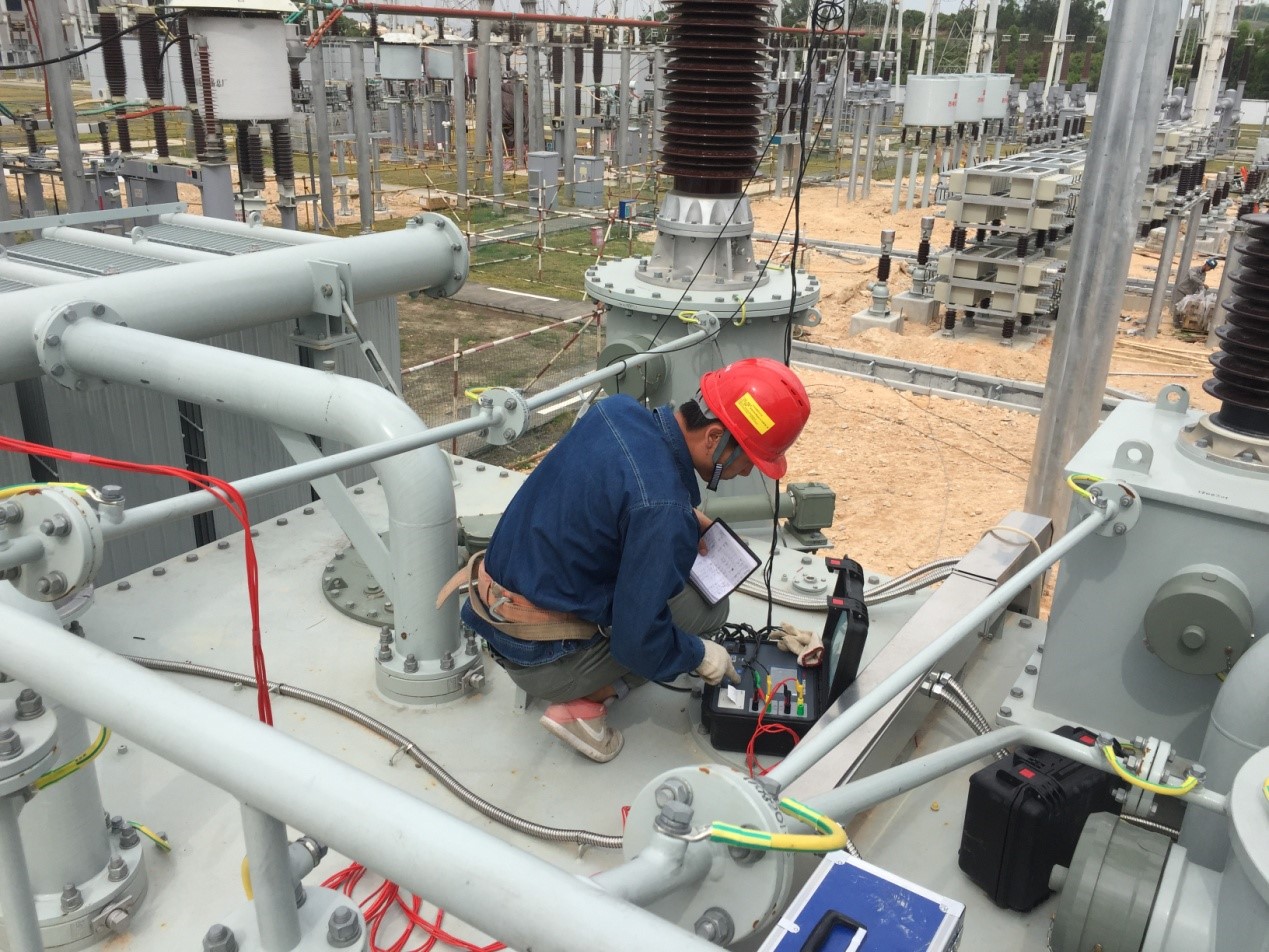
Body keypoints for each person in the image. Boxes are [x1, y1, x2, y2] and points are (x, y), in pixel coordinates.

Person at [453, 357, 811, 762]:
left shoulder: (617, 409)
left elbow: (615, 487)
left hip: (493, 612)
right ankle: (584, 705)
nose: (746, 473)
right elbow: (635, 642)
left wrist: (674, 515)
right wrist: (699, 655)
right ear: (714, 438)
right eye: (748, 459)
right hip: (538, 662)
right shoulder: (661, 509)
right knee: (707, 609)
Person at [1171, 257, 1219, 327]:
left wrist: (1202, 291)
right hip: (1182, 290)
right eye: (1210, 268)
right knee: (1178, 307)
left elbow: (1199, 285)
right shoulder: (1193, 269)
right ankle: (1176, 323)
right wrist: (1202, 284)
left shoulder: (1203, 274)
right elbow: (1192, 277)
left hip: (1189, 293)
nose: (1209, 270)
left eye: (1211, 269)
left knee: (1185, 309)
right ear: (1206, 265)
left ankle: (1181, 323)